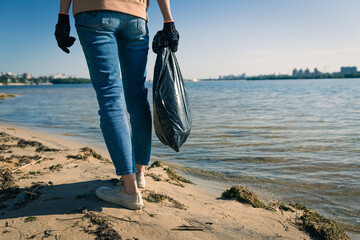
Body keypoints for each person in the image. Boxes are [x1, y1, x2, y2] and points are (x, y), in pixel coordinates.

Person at [55, 0, 179, 210]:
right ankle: (139, 174)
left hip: (94, 11)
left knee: (110, 98)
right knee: (138, 97)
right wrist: (168, 20)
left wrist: (62, 16)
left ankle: (129, 191)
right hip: (136, 17)